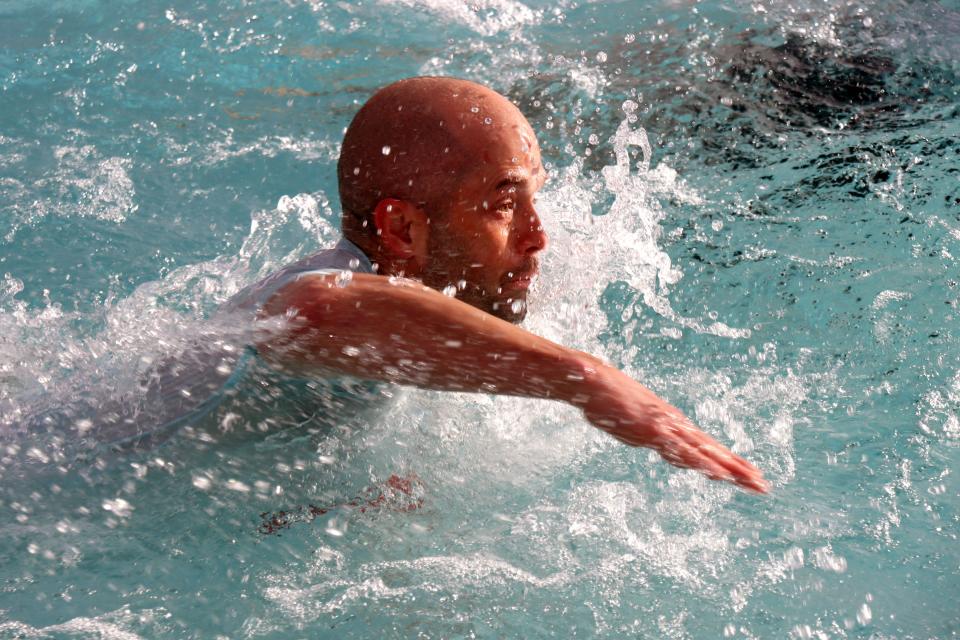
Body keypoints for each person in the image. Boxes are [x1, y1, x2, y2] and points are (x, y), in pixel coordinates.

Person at [231, 76, 769, 494]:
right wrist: (584, 377)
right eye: (505, 205)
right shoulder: (316, 291)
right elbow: (315, 312)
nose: (539, 238)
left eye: (536, 197)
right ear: (401, 230)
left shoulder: (425, 312)